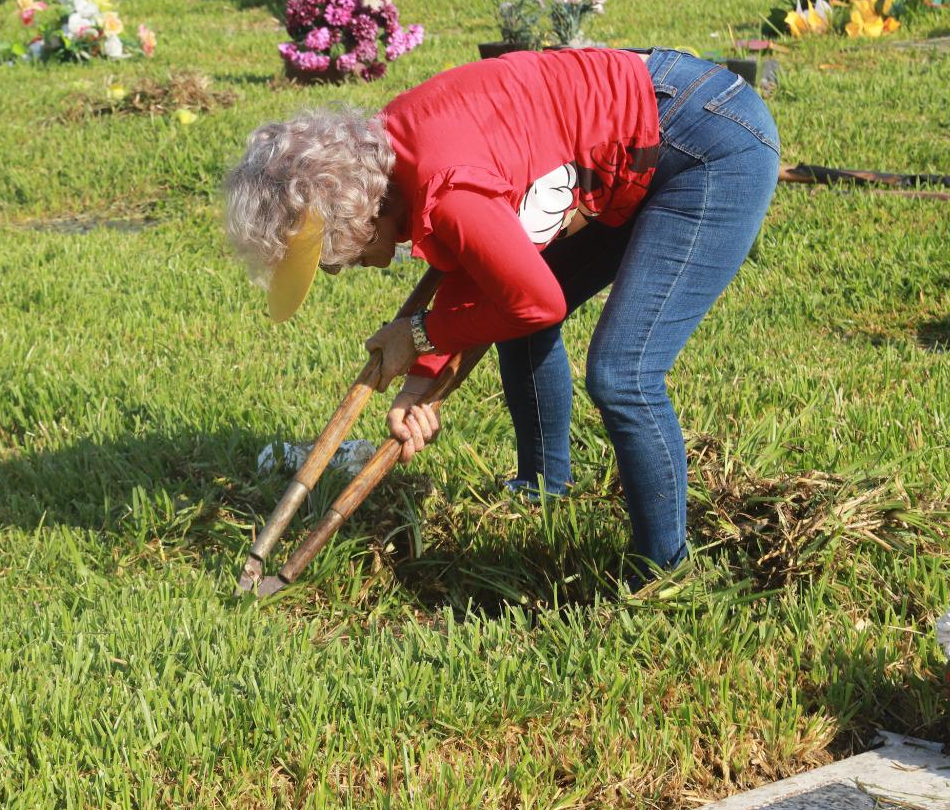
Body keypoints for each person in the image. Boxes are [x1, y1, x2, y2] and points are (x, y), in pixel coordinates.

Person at [224, 48, 780, 578]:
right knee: (511, 309)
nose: (337, 270)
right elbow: (483, 265)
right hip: (655, 127)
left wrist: (420, 333)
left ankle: (665, 573)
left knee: (623, 374)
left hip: (708, 143)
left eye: (328, 257)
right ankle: (544, 490)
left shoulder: (445, 186)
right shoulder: (395, 148)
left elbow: (535, 302)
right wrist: (422, 381)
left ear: (351, 214)